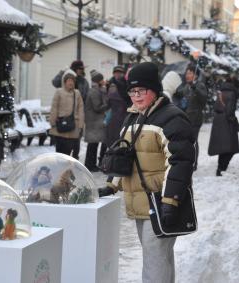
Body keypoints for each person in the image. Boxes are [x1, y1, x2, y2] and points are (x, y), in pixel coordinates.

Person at [98, 62, 196, 283]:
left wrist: (170, 200)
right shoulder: (132, 118)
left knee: (154, 260)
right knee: (159, 258)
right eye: (132, 91)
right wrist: (111, 184)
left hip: (160, 201)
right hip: (140, 202)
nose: (136, 96)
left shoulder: (172, 118)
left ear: (154, 89)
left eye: (141, 90)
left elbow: (180, 161)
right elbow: (123, 155)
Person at [174, 63, 208, 170]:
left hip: (195, 118)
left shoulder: (200, 85)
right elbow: (179, 95)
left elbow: (203, 98)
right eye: (187, 73)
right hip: (185, 118)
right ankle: (187, 161)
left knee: (193, 140)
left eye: (190, 73)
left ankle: (194, 163)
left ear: (196, 75)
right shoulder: (186, 86)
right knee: (185, 141)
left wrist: (195, 88)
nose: (187, 75)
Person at [208, 75, 239, 176]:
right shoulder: (232, 93)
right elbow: (230, 111)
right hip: (227, 121)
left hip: (218, 121)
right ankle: (222, 168)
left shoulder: (220, 92)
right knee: (231, 148)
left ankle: (220, 168)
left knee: (223, 147)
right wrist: (234, 121)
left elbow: (215, 106)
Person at [49, 69, 84, 159]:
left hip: (73, 127)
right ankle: (60, 171)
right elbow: (54, 107)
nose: (70, 83)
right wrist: (52, 122)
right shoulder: (59, 92)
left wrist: (80, 125)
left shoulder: (77, 93)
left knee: (69, 153)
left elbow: (80, 109)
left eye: (72, 81)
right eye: (68, 81)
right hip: (60, 126)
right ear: (64, 82)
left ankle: (67, 171)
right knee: (60, 152)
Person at [84, 69, 109, 172]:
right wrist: (109, 104)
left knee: (93, 144)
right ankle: (90, 165)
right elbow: (97, 107)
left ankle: (90, 164)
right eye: (102, 79)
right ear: (98, 80)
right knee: (93, 145)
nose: (103, 81)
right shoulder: (94, 91)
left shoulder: (97, 90)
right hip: (93, 122)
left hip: (94, 122)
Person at [104, 65, 132, 147]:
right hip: (113, 115)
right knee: (111, 139)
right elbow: (107, 100)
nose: (117, 75)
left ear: (123, 74)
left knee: (121, 137)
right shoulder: (110, 83)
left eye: (119, 73)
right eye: (116, 73)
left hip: (123, 114)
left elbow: (127, 98)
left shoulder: (126, 84)